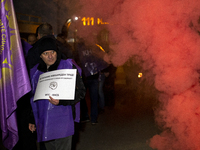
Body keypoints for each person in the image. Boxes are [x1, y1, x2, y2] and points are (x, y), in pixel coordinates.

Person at [28, 36, 86, 150]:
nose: (50, 56)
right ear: (40, 55)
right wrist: (32, 119)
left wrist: (62, 101)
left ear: (57, 52)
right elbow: (34, 98)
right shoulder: (36, 73)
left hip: (64, 119)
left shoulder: (68, 66)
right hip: (45, 121)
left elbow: (81, 92)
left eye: (52, 52)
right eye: (45, 53)